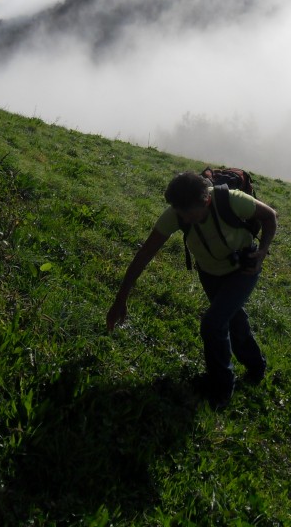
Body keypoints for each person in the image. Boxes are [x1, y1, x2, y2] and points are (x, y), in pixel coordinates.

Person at [106, 170, 278, 409]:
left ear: (205, 200)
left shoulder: (232, 199)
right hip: (209, 273)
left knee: (213, 323)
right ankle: (256, 367)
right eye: (180, 213)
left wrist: (262, 253)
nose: (184, 220)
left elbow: (270, 216)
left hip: (242, 271)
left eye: (189, 214)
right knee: (232, 318)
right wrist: (120, 299)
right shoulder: (177, 214)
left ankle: (220, 388)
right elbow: (144, 254)